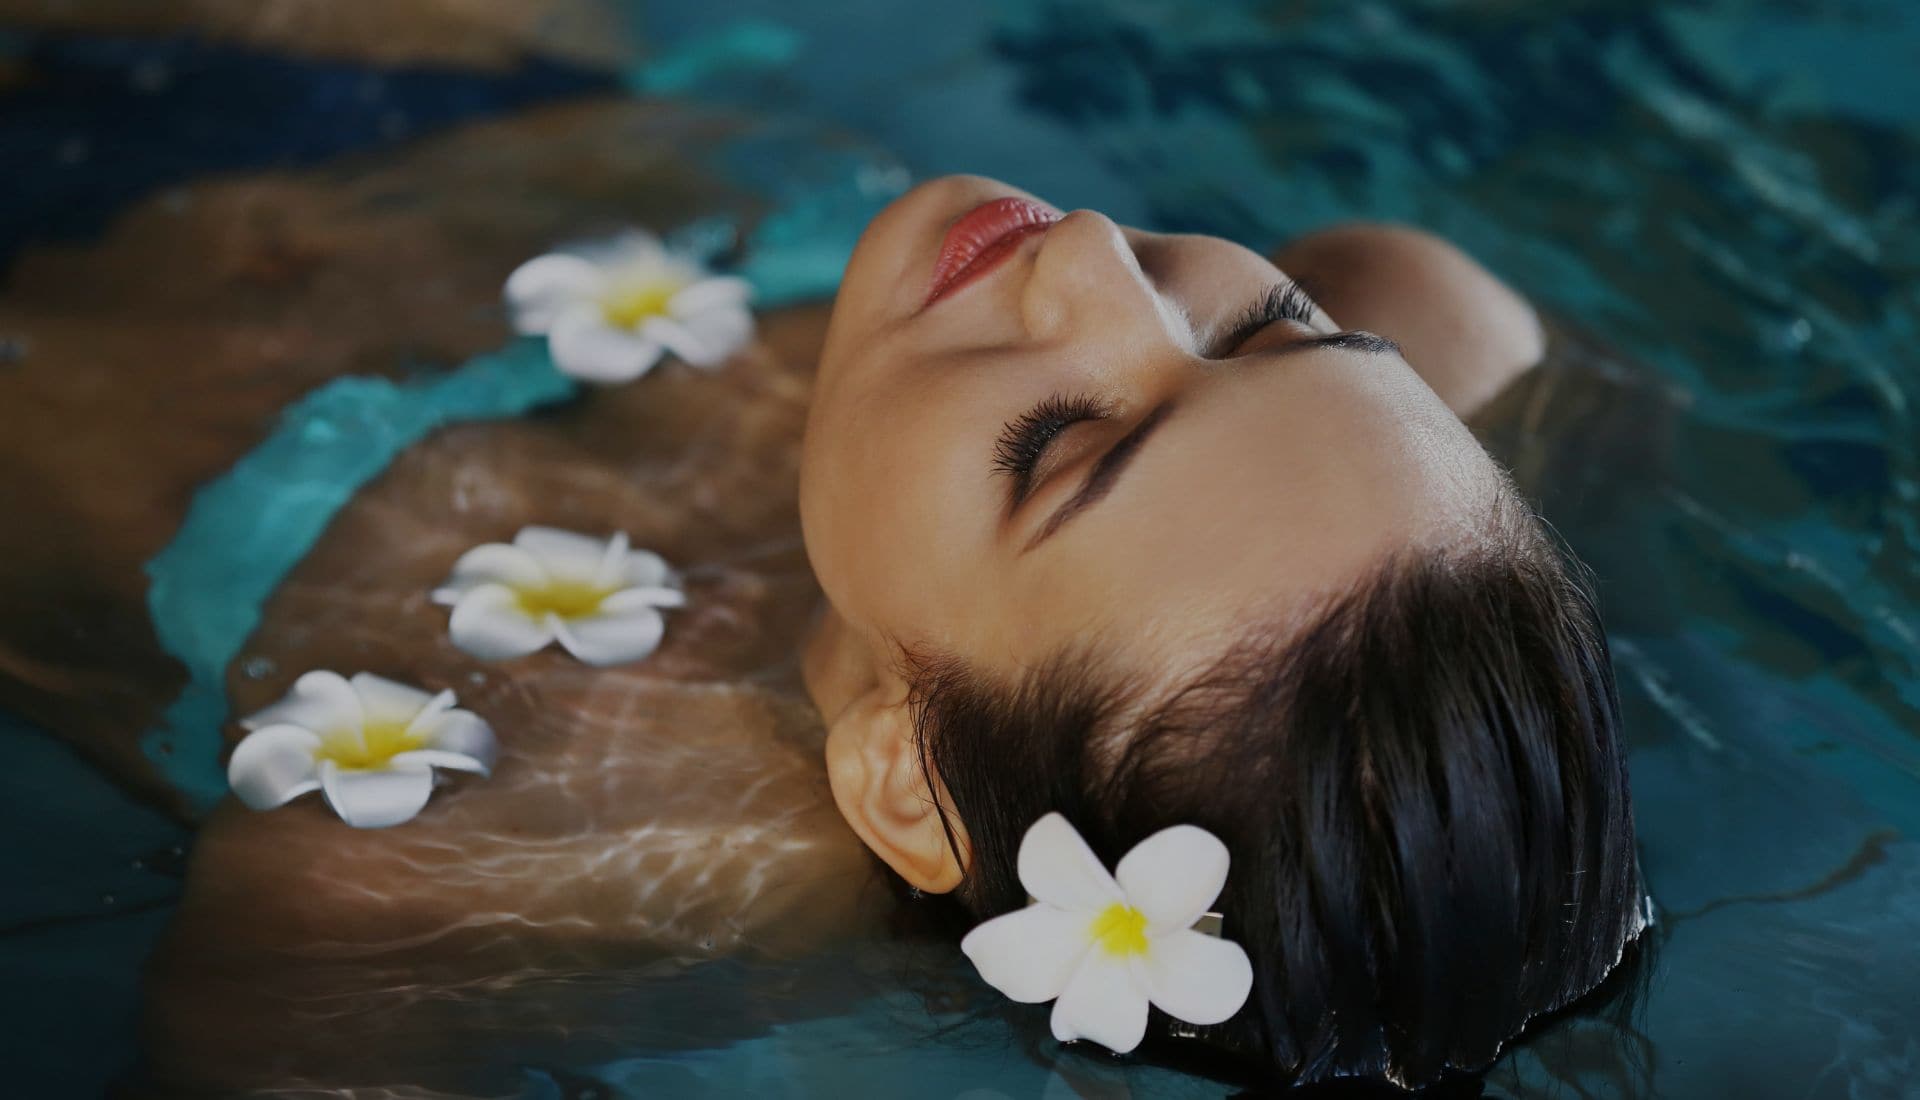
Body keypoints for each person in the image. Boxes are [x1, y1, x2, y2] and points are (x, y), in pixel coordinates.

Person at [798, 175, 1649, 1088]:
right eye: (1271, 329)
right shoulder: (1431, 312)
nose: (1091, 246)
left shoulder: (659, 818)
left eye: (1053, 448)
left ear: (909, 787)